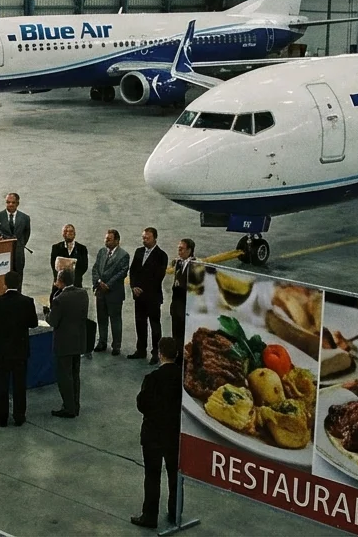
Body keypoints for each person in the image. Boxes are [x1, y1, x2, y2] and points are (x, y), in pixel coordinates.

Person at [133, 336, 182, 529]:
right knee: (174, 474)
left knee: (152, 476)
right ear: (176, 354)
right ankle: (174, 511)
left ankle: (150, 515)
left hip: (153, 434)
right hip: (174, 434)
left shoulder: (152, 379)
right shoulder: (182, 377)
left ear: (160, 354)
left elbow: (142, 404)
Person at [0, 270, 38, 427]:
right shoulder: (27, 301)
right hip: (20, 350)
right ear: (19, 284)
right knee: (20, 385)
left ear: (4, 284)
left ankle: (2, 418)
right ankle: (19, 416)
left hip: (2, 351)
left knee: (2, 385)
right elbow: (33, 323)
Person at [48, 269, 88, 418]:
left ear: (60, 281)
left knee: (64, 376)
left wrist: (48, 310)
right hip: (78, 341)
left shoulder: (59, 299)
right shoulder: (83, 294)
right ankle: (75, 405)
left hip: (64, 343)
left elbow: (52, 321)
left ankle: (68, 408)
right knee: (75, 374)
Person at [129, 227, 169, 364]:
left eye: (147, 238)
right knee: (140, 324)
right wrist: (133, 286)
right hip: (138, 297)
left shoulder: (161, 255)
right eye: (143, 238)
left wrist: (142, 288)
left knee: (155, 326)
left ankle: (156, 353)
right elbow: (133, 270)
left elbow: (158, 277)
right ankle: (141, 350)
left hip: (152, 298)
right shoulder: (139, 252)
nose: (144, 240)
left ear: (155, 238)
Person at [92, 229, 129, 356]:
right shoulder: (102, 252)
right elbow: (95, 268)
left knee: (115, 320)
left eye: (109, 239)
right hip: (101, 292)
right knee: (101, 319)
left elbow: (122, 273)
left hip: (114, 293)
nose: (106, 241)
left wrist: (108, 285)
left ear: (117, 241)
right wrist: (98, 281)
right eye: (106, 238)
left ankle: (116, 345)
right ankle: (102, 342)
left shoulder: (123, 255)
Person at [0, 193, 32, 274]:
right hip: (2, 253)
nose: (10, 204)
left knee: (18, 278)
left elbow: (26, 234)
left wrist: (20, 245)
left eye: (13, 202)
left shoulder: (25, 218)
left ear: (17, 203)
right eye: (8, 202)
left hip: (18, 254)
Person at [48, 224, 89, 303]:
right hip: (60, 284)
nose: (68, 233)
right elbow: (54, 266)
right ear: (62, 234)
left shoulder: (82, 249)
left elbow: (84, 266)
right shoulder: (56, 247)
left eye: (71, 231)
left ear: (74, 234)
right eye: (65, 231)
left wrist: (73, 278)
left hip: (76, 284)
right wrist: (59, 279)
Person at [171, 239, 198, 342]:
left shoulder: (195, 266)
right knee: (176, 335)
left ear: (189, 250)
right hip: (176, 307)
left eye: (182, 249)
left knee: (184, 337)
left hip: (186, 308)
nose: (179, 252)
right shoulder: (178, 263)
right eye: (179, 249)